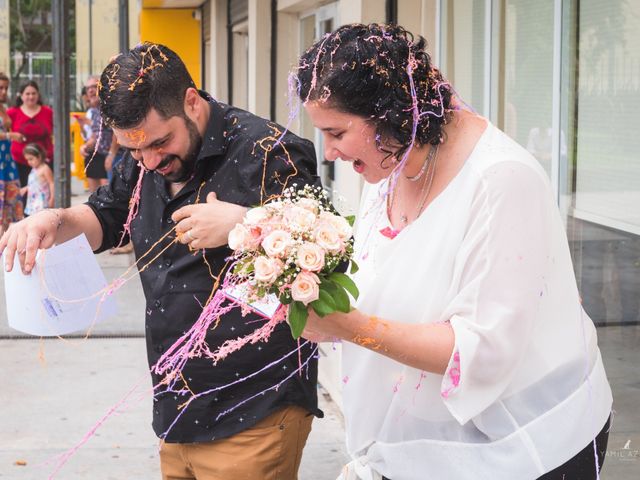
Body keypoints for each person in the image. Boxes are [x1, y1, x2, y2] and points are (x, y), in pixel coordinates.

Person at [295, 24, 612, 480]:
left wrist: (350, 326)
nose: (328, 152)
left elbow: (481, 351)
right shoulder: (393, 160)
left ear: (387, 114)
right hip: (415, 443)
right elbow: (387, 267)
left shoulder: (502, 181)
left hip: (523, 443)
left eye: (337, 132)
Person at [0, 43, 321, 480]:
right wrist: (56, 220)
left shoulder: (270, 153)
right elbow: (111, 214)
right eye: (134, 152)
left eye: (160, 143)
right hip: (175, 407)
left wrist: (245, 225)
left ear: (191, 101)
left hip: (253, 409)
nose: (149, 161)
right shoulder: (143, 152)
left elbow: (322, 259)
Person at [7, 80, 53, 186]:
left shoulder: (48, 112)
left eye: (33, 93)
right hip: (19, 162)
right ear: (21, 95)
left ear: (38, 95)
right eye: (27, 94)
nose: (31, 97)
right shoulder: (12, 113)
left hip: (44, 161)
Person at [0, 72, 24, 231]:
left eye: (6, 88)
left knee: (9, 206)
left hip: (7, 161)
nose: (3, 91)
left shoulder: (3, 107)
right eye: (0, 88)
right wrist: (10, 135)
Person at [79, 84, 112, 192]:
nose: (91, 91)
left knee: (107, 191)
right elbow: (92, 136)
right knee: (95, 195)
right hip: (94, 153)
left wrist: (112, 153)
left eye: (94, 87)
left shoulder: (110, 108)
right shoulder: (91, 111)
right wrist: (85, 146)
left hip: (108, 154)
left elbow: (106, 133)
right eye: (88, 88)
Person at [20, 143, 53, 215]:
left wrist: (52, 198)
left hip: (41, 202)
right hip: (32, 201)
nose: (29, 162)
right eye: (27, 160)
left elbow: (51, 183)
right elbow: (34, 183)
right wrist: (26, 188)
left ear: (39, 156)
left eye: (31, 159)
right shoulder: (34, 169)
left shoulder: (45, 169)